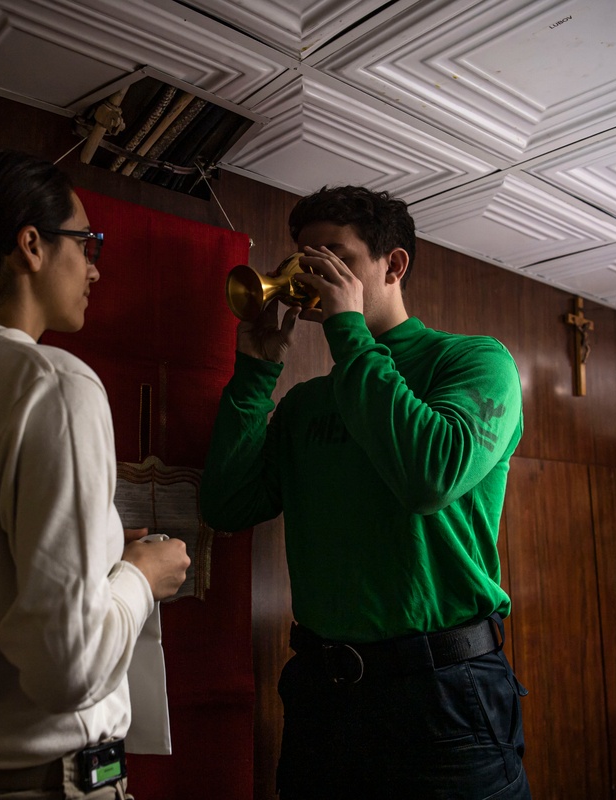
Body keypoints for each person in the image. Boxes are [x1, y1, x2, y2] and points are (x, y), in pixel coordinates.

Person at [0, 148, 190, 800]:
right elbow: (66, 672)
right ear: (31, 246)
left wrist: (106, 557)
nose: (95, 267)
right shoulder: (52, 382)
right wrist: (140, 578)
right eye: (86, 242)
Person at [200, 185, 530, 799]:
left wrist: (351, 330)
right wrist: (256, 369)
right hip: (325, 694)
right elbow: (227, 505)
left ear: (393, 265)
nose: (313, 272)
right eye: (303, 256)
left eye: (336, 256)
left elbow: (428, 476)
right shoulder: (306, 404)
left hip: (447, 693)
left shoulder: (475, 362)